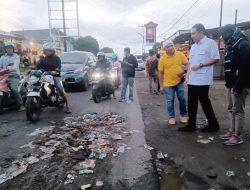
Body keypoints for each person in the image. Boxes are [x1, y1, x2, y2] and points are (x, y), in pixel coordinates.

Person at [178, 23, 220, 132]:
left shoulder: (210, 43)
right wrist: (187, 77)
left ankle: (213, 125)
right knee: (191, 103)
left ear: (201, 32)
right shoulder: (194, 46)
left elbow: (215, 58)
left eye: (193, 33)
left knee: (204, 102)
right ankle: (191, 125)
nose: (191, 35)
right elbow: (191, 64)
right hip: (192, 79)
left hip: (203, 80)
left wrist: (201, 64)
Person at [219, 24, 250, 145]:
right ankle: (231, 132)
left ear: (231, 33)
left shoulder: (243, 45)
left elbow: (246, 68)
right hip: (230, 84)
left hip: (239, 85)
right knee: (231, 108)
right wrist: (228, 84)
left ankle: (237, 136)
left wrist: (238, 86)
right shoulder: (232, 46)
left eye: (224, 35)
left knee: (238, 110)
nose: (223, 38)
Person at [158, 40, 188, 125]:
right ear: (165, 49)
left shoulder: (180, 54)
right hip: (168, 83)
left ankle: (183, 115)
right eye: (168, 46)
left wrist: (183, 72)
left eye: (171, 45)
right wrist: (161, 86)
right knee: (170, 100)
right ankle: (171, 117)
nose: (170, 47)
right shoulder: (162, 59)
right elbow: (160, 73)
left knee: (182, 99)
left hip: (179, 82)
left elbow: (187, 64)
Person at [36, 42, 71, 113]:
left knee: (60, 88)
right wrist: (32, 70)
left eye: (49, 50)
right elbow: (38, 67)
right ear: (44, 51)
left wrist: (56, 71)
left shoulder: (57, 58)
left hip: (55, 76)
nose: (48, 52)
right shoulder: (43, 59)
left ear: (53, 51)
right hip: (45, 75)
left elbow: (58, 67)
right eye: (46, 50)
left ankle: (67, 106)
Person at [0, 42, 25, 111]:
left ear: (13, 49)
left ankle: (21, 104)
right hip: (3, 76)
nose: (9, 50)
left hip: (13, 76)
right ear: (5, 50)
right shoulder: (2, 57)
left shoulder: (16, 57)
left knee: (14, 89)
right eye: (7, 49)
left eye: (10, 48)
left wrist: (7, 70)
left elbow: (15, 66)